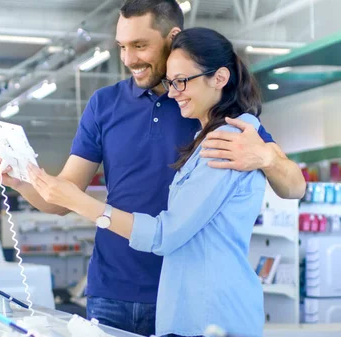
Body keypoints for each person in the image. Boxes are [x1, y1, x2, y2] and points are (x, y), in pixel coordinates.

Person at [0, 1, 306, 335]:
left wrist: (268, 157)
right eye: (122, 46)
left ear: (174, 36)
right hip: (112, 289)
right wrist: (20, 181)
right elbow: (61, 197)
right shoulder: (105, 105)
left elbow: (294, 187)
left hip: (185, 291)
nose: (128, 59)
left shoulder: (213, 114)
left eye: (140, 45)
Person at [27, 26, 267, 337]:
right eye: (171, 82)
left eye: (181, 81)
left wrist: (82, 204)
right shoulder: (202, 135)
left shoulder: (231, 139)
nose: (174, 90)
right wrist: (22, 178)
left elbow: (165, 233)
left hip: (210, 311)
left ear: (219, 78)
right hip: (168, 301)